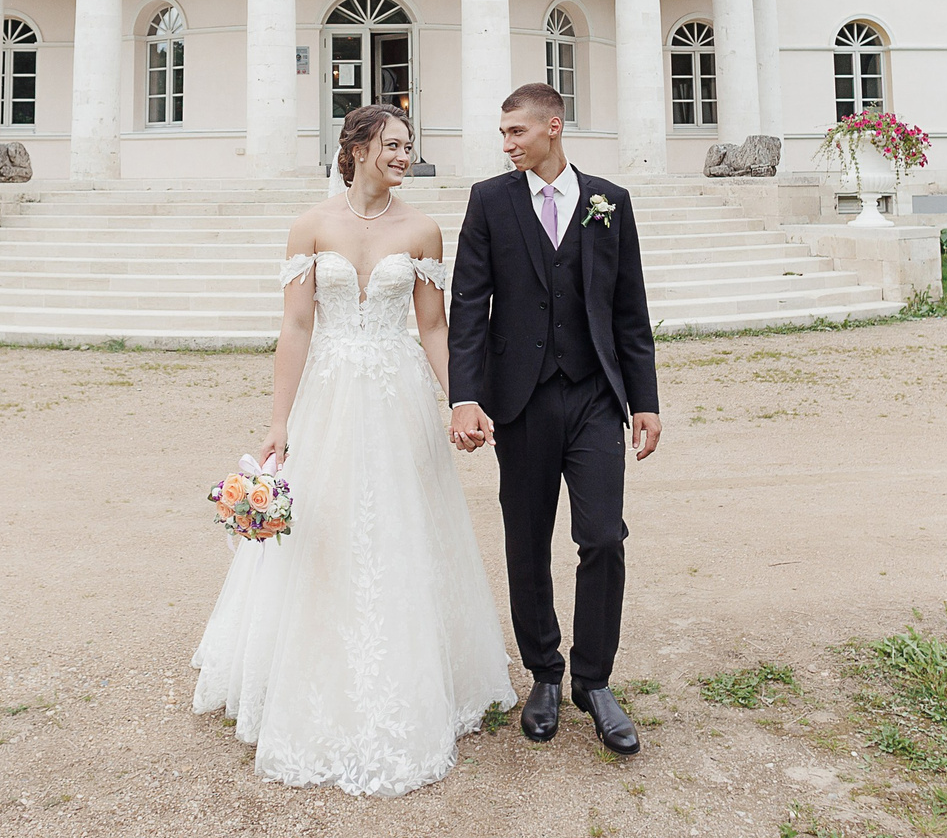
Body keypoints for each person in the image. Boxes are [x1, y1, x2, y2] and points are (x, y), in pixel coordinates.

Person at [190, 105, 512, 795]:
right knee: (328, 529)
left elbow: (433, 327)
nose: (404, 154)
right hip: (329, 398)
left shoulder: (423, 229)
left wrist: (462, 400)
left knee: (403, 528)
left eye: (408, 145)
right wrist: (278, 422)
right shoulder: (310, 225)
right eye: (393, 144)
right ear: (360, 147)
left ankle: (415, 672)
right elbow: (297, 325)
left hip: (397, 397)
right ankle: (306, 671)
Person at [447, 82, 662, 755]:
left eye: (515, 131)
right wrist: (465, 395)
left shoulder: (609, 201)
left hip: (596, 393)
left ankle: (594, 681)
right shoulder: (489, 201)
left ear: (553, 127)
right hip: (522, 399)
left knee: (602, 536)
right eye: (503, 132)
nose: (505, 143)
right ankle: (545, 671)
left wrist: (645, 399)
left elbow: (630, 309)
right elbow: (469, 305)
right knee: (527, 537)